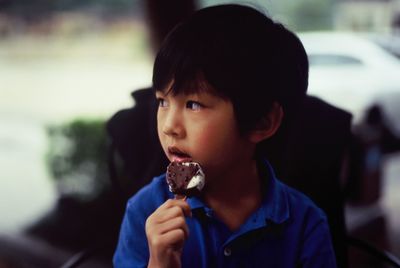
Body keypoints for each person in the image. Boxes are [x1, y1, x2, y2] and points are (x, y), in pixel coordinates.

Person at [113, 4, 337, 267]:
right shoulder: (145, 211)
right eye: (163, 101)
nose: (169, 126)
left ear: (262, 122)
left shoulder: (305, 225)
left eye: (193, 105)